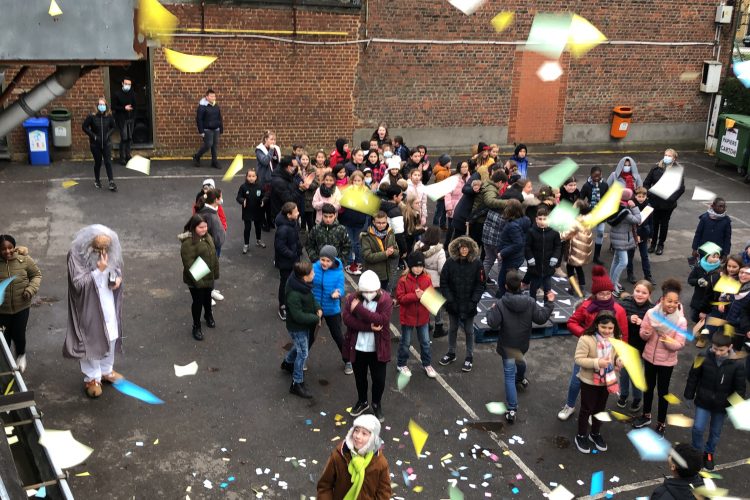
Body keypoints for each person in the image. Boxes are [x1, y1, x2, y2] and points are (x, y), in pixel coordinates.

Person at [558, 265, 628, 421]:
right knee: (576, 381)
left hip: (608, 355)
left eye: (608, 293)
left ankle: (592, 412)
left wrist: (620, 357)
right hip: (587, 353)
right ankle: (570, 405)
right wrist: (586, 336)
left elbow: (623, 335)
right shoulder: (586, 306)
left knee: (600, 387)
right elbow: (572, 322)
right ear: (595, 293)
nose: (605, 296)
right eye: (601, 294)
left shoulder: (619, 310)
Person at [63, 225, 124, 398]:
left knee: (111, 335)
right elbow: (78, 284)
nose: (103, 251)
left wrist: (116, 278)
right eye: (98, 248)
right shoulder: (76, 255)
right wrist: (99, 271)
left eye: (105, 248)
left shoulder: (109, 249)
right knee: (90, 339)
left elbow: (116, 268)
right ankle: (92, 378)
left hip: (107, 301)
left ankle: (106, 370)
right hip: (88, 304)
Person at [486, 270, 554, 423]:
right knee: (520, 360)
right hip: (522, 343)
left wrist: (490, 310)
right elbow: (541, 318)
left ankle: (512, 409)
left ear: (505, 286)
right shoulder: (530, 302)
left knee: (509, 376)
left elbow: (492, 323)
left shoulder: (501, 304)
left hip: (507, 344)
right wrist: (549, 303)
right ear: (522, 285)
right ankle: (521, 378)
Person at [633, 279, 687, 436]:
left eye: (675, 302)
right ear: (662, 299)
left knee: (663, 392)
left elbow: (679, 344)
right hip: (649, 357)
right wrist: (646, 333)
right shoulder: (651, 314)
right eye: (669, 301)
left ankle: (661, 422)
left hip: (666, 362)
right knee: (648, 388)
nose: (672, 304)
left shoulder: (680, 321)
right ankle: (646, 415)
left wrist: (667, 340)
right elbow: (643, 333)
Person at [684, 333, 746, 470]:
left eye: (721, 350)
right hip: (703, 400)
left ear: (729, 347)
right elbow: (693, 376)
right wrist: (689, 395)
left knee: (715, 433)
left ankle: (709, 453)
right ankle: (697, 453)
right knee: (698, 428)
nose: (717, 353)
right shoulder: (702, 356)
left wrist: (734, 408)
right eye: (714, 349)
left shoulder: (737, 364)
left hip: (722, 405)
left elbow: (740, 389)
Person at [342, 270, 393, 421]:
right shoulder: (352, 298)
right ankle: (362, 401)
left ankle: (376, 403)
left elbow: (381, 320)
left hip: (378, 349)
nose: (369, 294)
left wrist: (358, 309)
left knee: (379, 379)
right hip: (358, 347)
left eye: (372, 291)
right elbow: (346, 319)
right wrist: (368, 327)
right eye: (366, 291)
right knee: (360, 377)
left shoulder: (385, 300)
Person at [573, 311, 623, 454]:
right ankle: (581, 435)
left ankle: (594, 433)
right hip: (589, 380)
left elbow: (616, 356)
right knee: (586, 408)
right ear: (596, 325)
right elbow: (578, 359)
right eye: (603, 327)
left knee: (600, 409)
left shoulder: (616, 339)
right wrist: (597, 362)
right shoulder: (586, 339)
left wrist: (618, 361)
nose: (607, 331)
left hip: (606, 381)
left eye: (610, 328)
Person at [317, 414, 392, 499]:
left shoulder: (380, 463)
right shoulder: (339, 456)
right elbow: (325, 485)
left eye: (364, 433)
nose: (358, 436)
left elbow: (384, 493)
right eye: (356, 430)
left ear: (372, 439)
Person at [439, 236, 485, 372]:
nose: (464, 250)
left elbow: (480, 284)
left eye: (466, 247)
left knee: (469, 331)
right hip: (453, 304)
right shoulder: (449, 263)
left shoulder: (477, 263)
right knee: (452, 329)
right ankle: (451, 353)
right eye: (462, 247)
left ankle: (469, 357)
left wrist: (473, 301)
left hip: (469, 304)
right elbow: (444, 282)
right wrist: (450, 300)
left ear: (470, 249)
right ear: (458, 248)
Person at [280, 260, 321, 399]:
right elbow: (298, 316)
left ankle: (287, 363)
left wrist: (317, 307)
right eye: (312, 272)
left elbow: (311, 297)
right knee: (303, 353)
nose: (314, 273)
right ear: (305, 276)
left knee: (299, 348)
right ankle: (296, 383)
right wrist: (315, 318)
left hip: (302, 326)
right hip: (297, 328)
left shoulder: (303, 285)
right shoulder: (294, 294)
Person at [0, 235, 42, 373]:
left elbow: (36, 275)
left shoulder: (23, 260)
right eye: (3, 249)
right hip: (2, 311)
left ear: (14, 247)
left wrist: (30, 290)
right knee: (4, 339)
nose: (7, 251)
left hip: (21, 308)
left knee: (19, 335)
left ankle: (21, 355)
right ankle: (5, 366)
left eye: (10, 247)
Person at [395, 252, 437, 379]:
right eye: (416, 266)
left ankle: (427, 364)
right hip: (407, 318)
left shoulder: (427, 278)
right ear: (410, 266)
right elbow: (400, 298)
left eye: (421, 266)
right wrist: (415, 296)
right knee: (405, 342)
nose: (419, 268)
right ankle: (401, 363)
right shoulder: (403, 280)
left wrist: (426, 295)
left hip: (423, 318)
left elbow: (432, 297)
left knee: (425, 342)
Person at [311, 245, 350, 374]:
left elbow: (341, 288)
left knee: (338, 335)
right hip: (315, 308)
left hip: (332, 309)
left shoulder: (338, 272)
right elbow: (307, 283)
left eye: (328, 261)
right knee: (309, 335)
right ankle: (301, 358)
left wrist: (338, 293)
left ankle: (348, 360)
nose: (325, 263)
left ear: (333, 261)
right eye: (323, 259)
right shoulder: (314, 268)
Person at [179, 215, 219, 341]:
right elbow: (189, 264)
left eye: (205, 226)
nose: (204, 229)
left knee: (207, 297)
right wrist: (200, 281)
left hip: (208, 276)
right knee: (198, 302)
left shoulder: (207, 237)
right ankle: (196, 326)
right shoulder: (188, 243)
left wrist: (214, 273)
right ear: (193, 227)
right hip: (195, 279)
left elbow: (213, 255)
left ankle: (208, 315)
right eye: (201, 227)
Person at [616, 281, 653, 412]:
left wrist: (644, 324)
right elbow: (616, 319)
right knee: (624, 373)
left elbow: (654, 329)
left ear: (649, 294)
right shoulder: (624, 303)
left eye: (644, 292)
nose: (640, 294)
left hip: (641, 348)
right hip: (625, 345)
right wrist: (628, 318)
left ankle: (637, 398)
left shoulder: (651, 310)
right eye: (638, 291)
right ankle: (624, 394)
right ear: (633, 290)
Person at [643, 148, 685, 255]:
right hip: (654, 202)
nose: (666, 157)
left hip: (667, 204)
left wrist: (671, 199)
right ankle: (653, 244)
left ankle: (660, 244)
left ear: (674, 158)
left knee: (664, 224)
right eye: (665, 155)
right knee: (654, 223)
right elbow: (646, 183)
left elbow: (680, 188)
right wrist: (649, 193)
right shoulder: (656, 168)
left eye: (669, 156)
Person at [412, 227, 447, 338]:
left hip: (422, 279)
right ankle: (438, 327)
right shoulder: (440, 251)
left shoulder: (418, 247)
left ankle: (426, 325)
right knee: (436, 305)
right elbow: (442, 269)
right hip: (435, 282)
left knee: (425, 303)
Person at [607, 188, 641, 296]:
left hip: (617, 238)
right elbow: (637, 220)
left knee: (616, 260)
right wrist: (634, 207)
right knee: (623, 262)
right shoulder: (625, 211)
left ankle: (612, 281)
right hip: (621, 239)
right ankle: (612, 285)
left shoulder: (616, 206)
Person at [524, 206, 562, 298]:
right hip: (535, 267)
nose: (542, 221)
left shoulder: (554, 232)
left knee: (547, 289)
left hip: (548, 266)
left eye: (544, 219)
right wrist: (530, 258)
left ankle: (547, 307)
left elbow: (558, 246)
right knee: (533, 289)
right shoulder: (531, 232)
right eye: (540, 219)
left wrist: (555, 257)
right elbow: (527, 246)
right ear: (536, 219)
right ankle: (532, 306)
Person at [496, 199, 530, 297]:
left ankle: (505, 300)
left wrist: (502, 253)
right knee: (511, 278)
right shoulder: (525, 220)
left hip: (511, 257)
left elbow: (518, 243)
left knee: (504, 280)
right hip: (518, 256)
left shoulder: (512, 226)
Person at [274, 202, 302, 321]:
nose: (298, 213)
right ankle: (283, 306)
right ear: (289, 215)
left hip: (293, 259)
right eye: (296, 211)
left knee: (293, 282)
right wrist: (292, 254)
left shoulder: (292, 223)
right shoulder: (283, 229)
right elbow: (279, 246)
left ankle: (290, 303)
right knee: (285, 283)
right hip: (286, 262)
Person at [82, 97, 117, 191]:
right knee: (98, 163)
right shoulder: (92, 116)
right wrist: (93, 136)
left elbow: (114, 127)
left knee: (108, 162)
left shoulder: (109, 116)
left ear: (106, 106)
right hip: (95, 144)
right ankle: (97, 180)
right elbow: (84, 127)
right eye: (100, 104)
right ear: (97, 106)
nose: (102, 106)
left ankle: (111, 182)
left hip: (106, 143)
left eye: (103, 104)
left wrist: (108, 135)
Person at [360, 211, 399, 292]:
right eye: (378, 223)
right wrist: (385, 254)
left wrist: (393, 252)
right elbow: (368, 256)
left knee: (382, 298)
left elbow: (396, 251)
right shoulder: (366, 236)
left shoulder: (390, 233)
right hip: (373, 274)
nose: (381, 225)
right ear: (373, 222)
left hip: (386, 274)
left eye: (383, 223)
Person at [559, 199, 593, 293]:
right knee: (579, 268)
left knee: (570, 269)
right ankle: (582, 286)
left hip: (574, 249)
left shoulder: (575, 222)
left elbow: (564, 235)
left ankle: (573, 288)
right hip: (583, 249)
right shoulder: (587, 219)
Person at [580, 166, 609, 265]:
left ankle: (597, 256)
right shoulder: (586, 186)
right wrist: (586, 207)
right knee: (586, 234)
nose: (596, 178)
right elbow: (580, 199)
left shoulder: (604, 185)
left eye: (598, 175)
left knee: (600, 232)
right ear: (591, 175)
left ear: (601, 174)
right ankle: (583, 254)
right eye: (594, 175)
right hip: (590, 213)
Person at [627, 187, 654, 285]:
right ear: (635, 196)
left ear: (646, 196)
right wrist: (636, 235)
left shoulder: (649, 206)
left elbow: (651, 222)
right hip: (633, 235)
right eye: (639, 196)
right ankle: (630, 274)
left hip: (644, 235)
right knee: (630, 256)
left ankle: (648, 276)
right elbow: (631, 222)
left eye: (643, 196)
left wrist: (651, 236)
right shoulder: (631, 206)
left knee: (645, 256)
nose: (641, 198)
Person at [255, 130, 281, 231]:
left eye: (274, 139)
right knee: (264, 201)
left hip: (274, 179)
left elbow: (278, 162)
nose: (273, 141)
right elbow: (265, 161)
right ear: (266, 139)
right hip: (264, 180)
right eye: (271, 139)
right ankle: (263, 222)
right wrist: (270, 150)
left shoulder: (276, 149)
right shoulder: (259, 150)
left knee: (271, 202)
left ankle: (270, 220)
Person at [236, 169, 267, 254]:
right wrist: (243, 201)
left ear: (256, 177)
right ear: (246, 177)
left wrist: (263, 200)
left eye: (253, 176)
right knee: (247, 228)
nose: (251, 178)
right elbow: (238, 197)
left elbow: (265, 195)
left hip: (258, 210)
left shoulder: (260, 186)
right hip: (247, 211)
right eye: (249, 176)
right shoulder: (243, 187)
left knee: (258, 227)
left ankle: (258, 240)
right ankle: (246, 244)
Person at [192, 89, 223, 169]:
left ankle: (214, 161)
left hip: (216, 128)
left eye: (214, 96)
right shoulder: (202, 107)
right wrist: (201, 131)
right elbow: (199, 119)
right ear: (206, 97)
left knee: (214, 146)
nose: (213, 98)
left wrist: (221, 127)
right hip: (207, 129)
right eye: (211, 96)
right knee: (208, 144)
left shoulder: (216, 105)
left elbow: (219, 117)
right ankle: (197, 156)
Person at [687, 251, 722, 324]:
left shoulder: (720, 271)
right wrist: (698, 281)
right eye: (713, 257)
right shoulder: (698, 267)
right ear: (707, 257)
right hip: (697, 299)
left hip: (709, 302)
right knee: (694, 317)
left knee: (707, 321)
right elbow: (690, 280)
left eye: (717, 257)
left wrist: (709, 284)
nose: (716, 259)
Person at [111, 76, 136, 165]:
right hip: (122, 119)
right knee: (124, 138)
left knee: (129, 138)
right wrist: (124, 108)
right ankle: (122, 158)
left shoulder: (132, 93)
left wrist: (133, 116)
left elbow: (135, 105)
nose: (127, 86)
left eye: (129, 84)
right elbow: (113, 107)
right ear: (122, 83)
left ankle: (128, 155)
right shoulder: (117, 94)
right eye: (126, 84)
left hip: (130, 119)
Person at [270, 156, 304, 222]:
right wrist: (300, 189)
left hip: (290, 213)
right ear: (289, 167)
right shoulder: (279, 182)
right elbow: (288, 199)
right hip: (284, 215)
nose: (297, 168)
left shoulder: (288, 174)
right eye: (295, 166)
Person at [431, 154, 452, 229]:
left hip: (445, 195)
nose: (450, 163)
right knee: (439, 212)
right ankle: (435, 226)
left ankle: (442, 225)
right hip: (442, 196)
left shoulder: (446, 169)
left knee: (444, 211)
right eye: (449, 162)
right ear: (445, 163)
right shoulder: (441, 173)